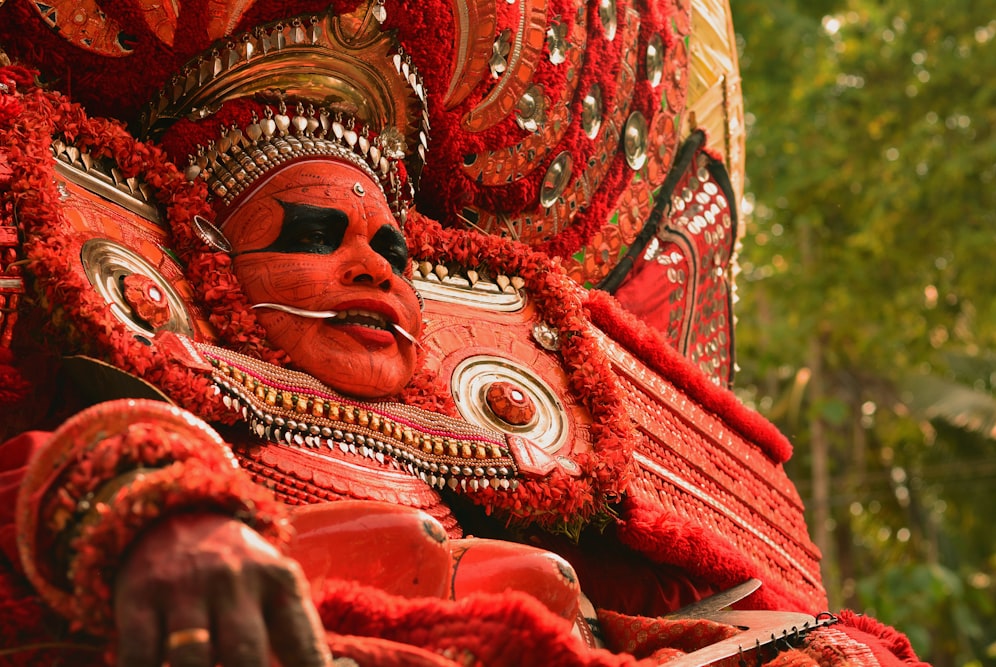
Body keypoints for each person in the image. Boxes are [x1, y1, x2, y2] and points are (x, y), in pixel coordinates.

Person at [0, 1, 930, 665]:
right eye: (316, 234)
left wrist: (778, 642)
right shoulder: (134, 400)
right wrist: (161, 516)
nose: (374, 270)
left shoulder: (492, 464)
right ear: (205, 257)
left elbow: (662, 596)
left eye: (394, 250)